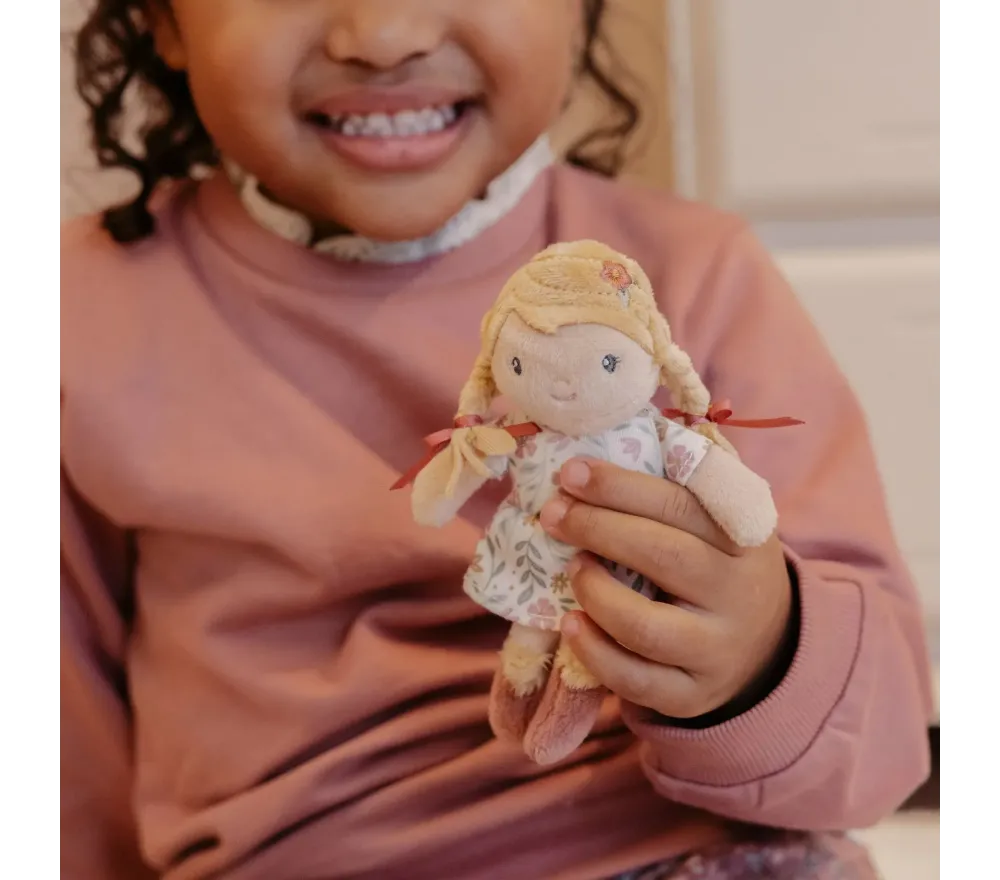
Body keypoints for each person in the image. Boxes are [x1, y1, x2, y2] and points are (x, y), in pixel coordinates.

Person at [59, 2, 933, 878]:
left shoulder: (696, 277)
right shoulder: (76, 316)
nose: (384, 36)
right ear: (161, 20)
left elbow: (882, 749)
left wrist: (760, 655)